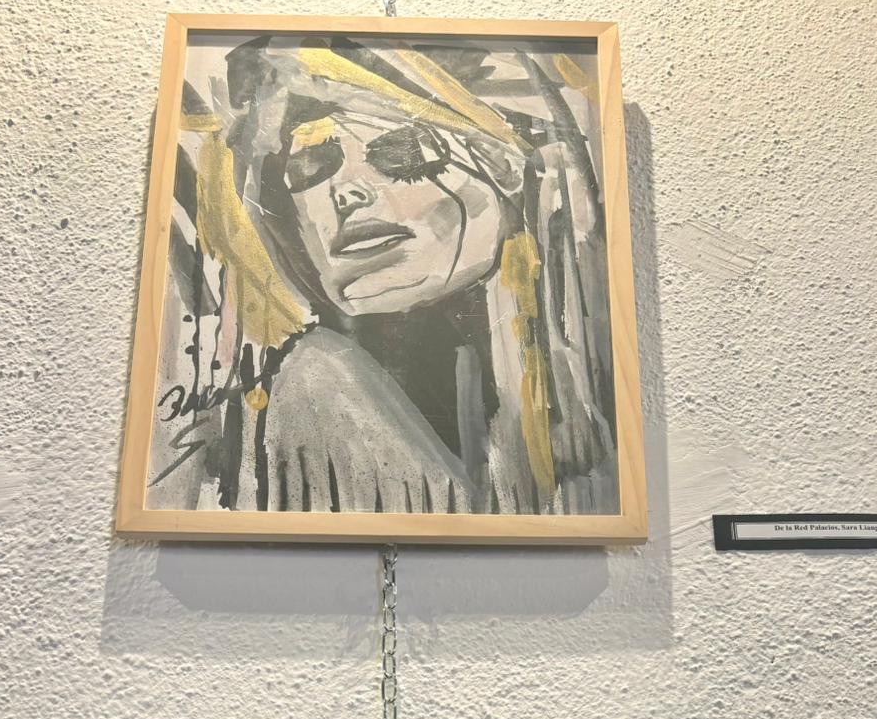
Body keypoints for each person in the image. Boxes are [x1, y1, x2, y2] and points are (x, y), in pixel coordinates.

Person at [153, 37, 619, 517]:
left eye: (398, 153)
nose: (346, 192)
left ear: (500, 168)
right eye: (311, 168)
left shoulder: (580, 390)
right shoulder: (309, 393)